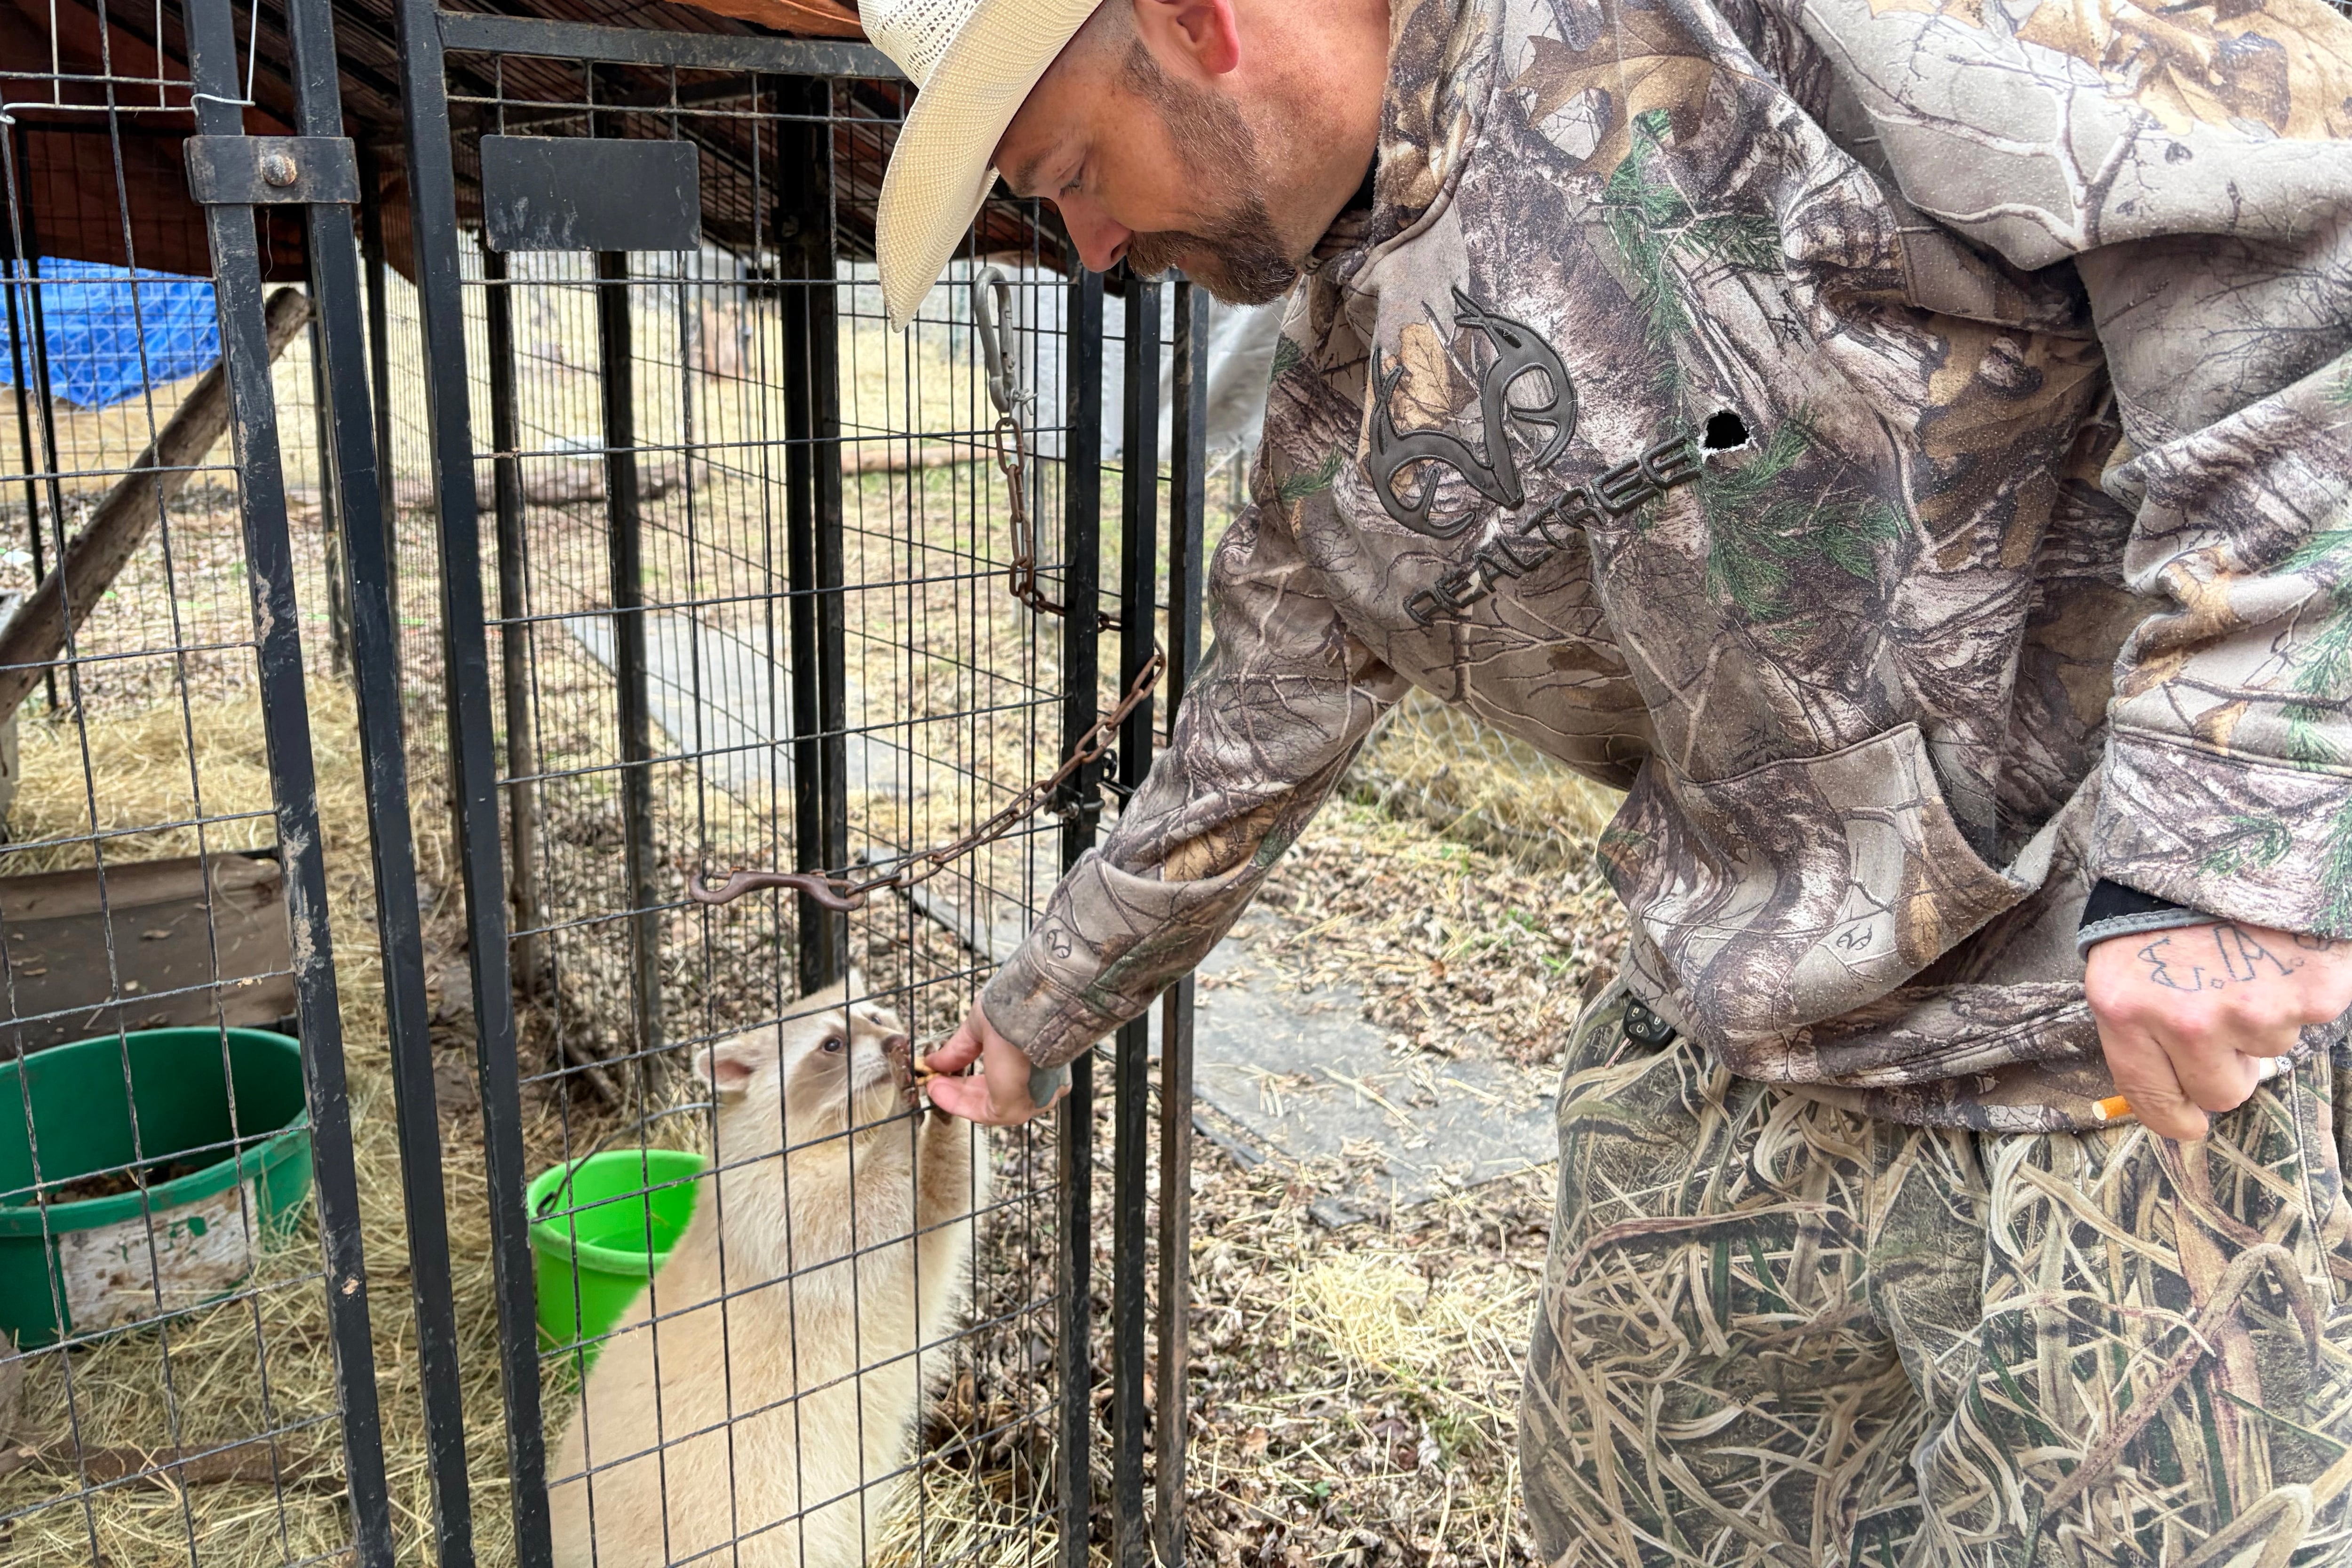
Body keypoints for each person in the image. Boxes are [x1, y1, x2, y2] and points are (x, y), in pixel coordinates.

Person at [863, 0, 2352, 1558]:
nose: (1090, 247)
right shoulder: (1340, 394)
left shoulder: (1704, 30)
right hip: (1738, 1040)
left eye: (1074, 170)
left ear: (1196, 23)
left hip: (2124, 1056)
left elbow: (2293, 225)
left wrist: (2222, 851)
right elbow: (1253, 733)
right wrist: (1037, 1015)